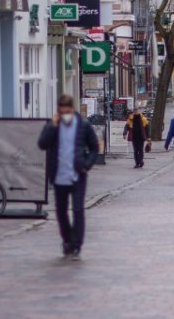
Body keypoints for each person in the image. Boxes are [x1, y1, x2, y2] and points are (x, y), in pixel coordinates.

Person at [38, 95, 99, 259]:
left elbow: (94, 147)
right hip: (59, 175)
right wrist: (52, 125)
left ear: (72, 109)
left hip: (78, 173)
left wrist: (87, 164)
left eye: (67, 110)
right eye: (62, 111)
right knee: (61, 211)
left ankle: (77, 244)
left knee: (78, 209)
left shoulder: (83, 125)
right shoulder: (53, 125)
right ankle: (67, 240)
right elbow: (42, 144)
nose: (65, 113)